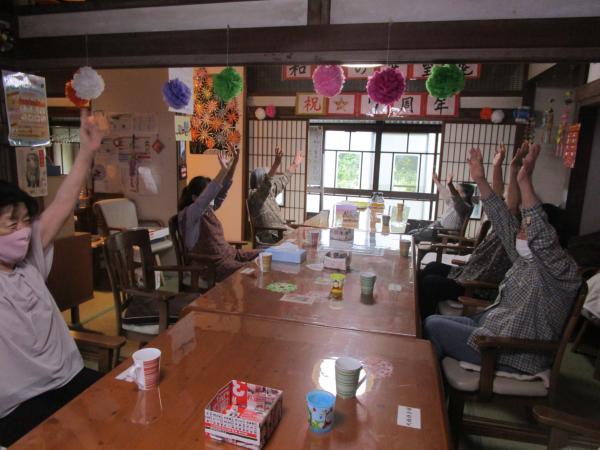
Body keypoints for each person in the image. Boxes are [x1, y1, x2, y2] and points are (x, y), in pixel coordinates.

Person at [424, 144, 581, 375]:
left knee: (433, 325)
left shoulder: (562, 271)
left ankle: (430, 384)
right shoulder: (525, 259)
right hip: (490, 327)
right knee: (431, 320)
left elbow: (539, 233)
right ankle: (433, 376)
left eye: (526, 229)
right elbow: (500, 216)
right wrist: (480, 179)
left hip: (509, 351)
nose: (520, 232)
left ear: (553, 238)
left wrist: (524, 182)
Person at [0, 109, 107, 447]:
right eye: (11, 224)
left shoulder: (28, 261)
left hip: (70, 378)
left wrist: (87, 152)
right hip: (20, 403)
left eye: (24, 221)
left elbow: (62, 204)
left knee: (122, 411)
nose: (22, 231)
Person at [418, 144, 516, 320]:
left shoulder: (508, 231)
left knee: (430, 281)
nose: (499, 204)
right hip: (466, 273)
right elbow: (496, 197)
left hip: (474, 285)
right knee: (432, 267)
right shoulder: (501, 226)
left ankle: (422, 320)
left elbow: (504, 203)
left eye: (458, 190)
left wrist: (511, 169)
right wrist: (497, 166)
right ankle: (418, 310)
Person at [178, 145, 259, 282]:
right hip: (212, 266)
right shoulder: (191, 214)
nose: (211, 199)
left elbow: (223, 189)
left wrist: (234, 163)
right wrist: (222, 170)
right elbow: (209, 194)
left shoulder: (208, 209)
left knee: (264, 254)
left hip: (230, 255)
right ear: (195, 198)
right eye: (208, 196)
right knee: (253, 270)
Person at [248, 148, 304, 244]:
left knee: (305, 236)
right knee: (304, 241)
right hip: (272, 236)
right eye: (267, 177)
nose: (271, 181)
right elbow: (267, 182)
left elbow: (283, 180)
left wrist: (294, 164)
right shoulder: (254, 197)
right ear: (260, 181)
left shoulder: (269, 192)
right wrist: (276, 163)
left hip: (281, 232)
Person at [408, 172, 474, 243]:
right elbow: (444, 192)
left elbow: (456, 197)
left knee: (413, 236)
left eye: (457, 190)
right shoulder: (454, 202)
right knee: (411, 232)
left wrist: (450, 185)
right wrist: (436, 180)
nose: (454, 191)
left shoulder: (465, 206)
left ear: (465, 194)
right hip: (439, 230)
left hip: (447, 235)